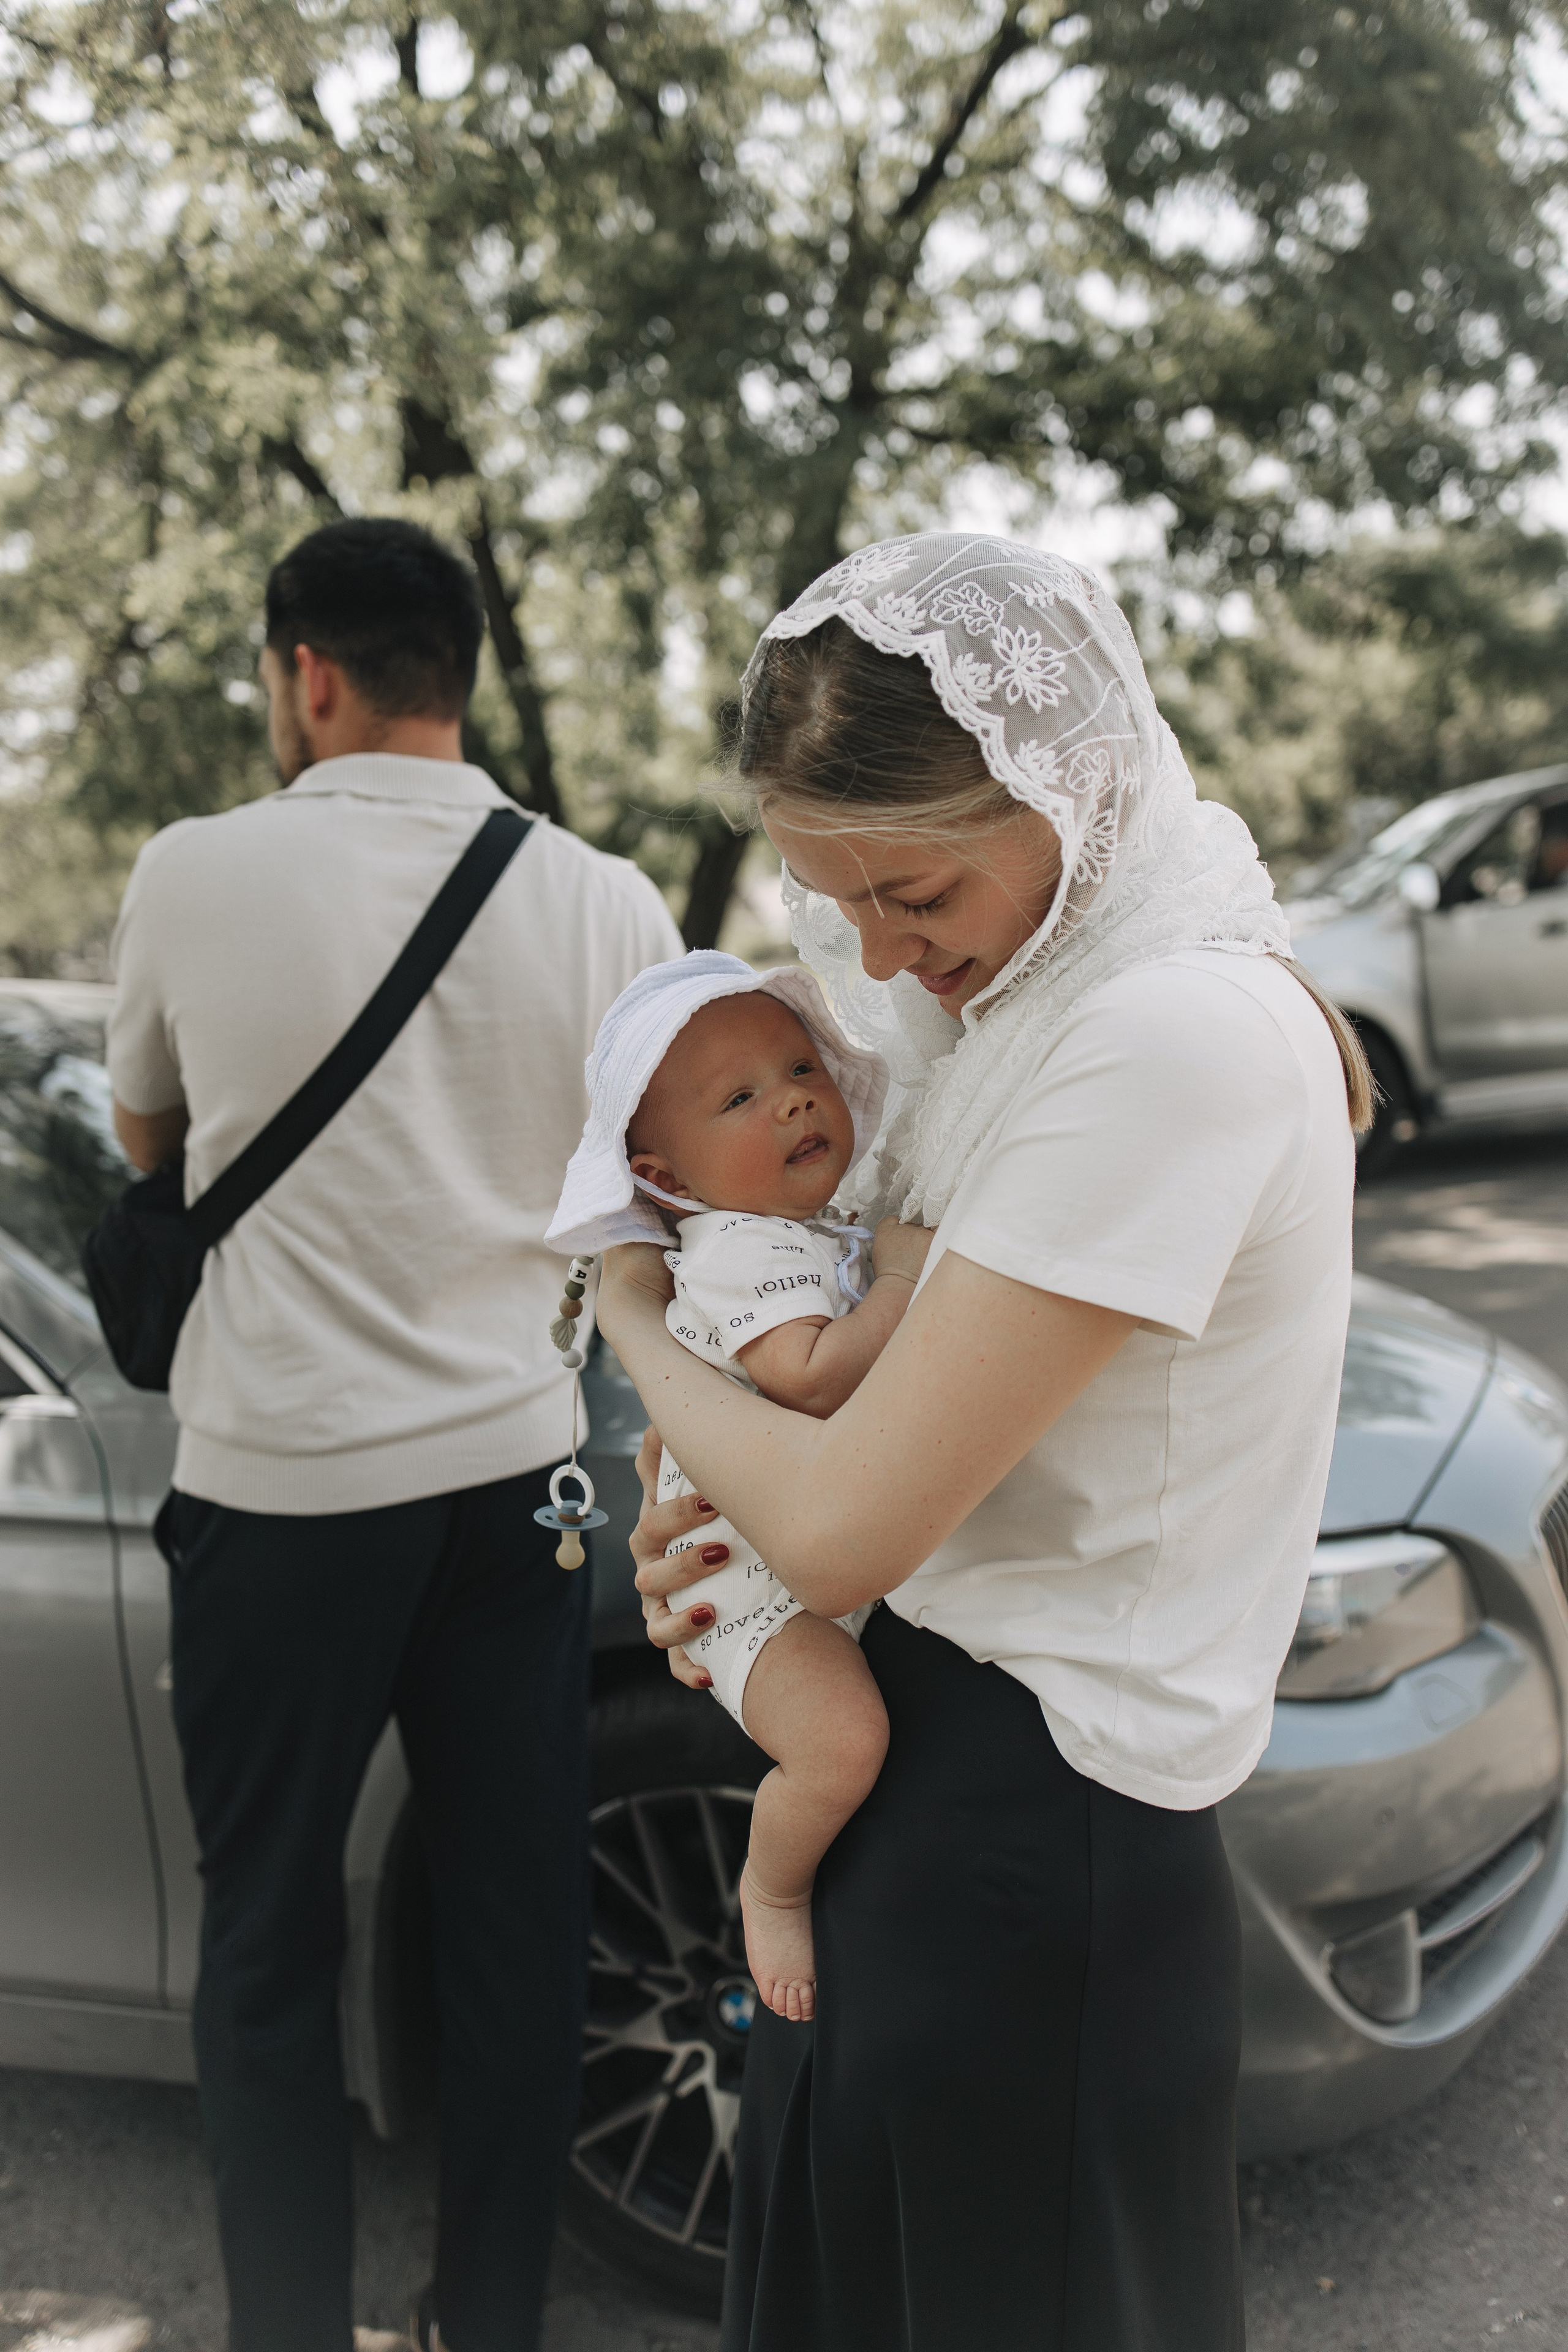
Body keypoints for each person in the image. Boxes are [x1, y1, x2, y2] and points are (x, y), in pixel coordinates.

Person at [596, 533, 1370, 2352]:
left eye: (912, 891)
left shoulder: (1164, 1037)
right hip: (941, 1798)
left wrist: (639, 1335)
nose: (878, 957)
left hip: (1035, 1846)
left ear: (1066, 786)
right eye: (834, 901)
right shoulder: (1021, 1010)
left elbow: (853, 1523)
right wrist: (720, 1535)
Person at [105, 518, 682, 2352]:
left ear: (310, 676)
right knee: (516, 1942)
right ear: (466, 671)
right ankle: (484, 2324)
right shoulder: (606, 900)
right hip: (520, 1486)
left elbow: (151, 1153)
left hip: (279, 1496)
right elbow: (649, 1189)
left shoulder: (192, 875)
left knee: (268, 1946)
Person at [545, 951, 929, 2019]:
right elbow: (805, 1380)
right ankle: (772, 1885)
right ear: (665, 1177)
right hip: (751, 1588)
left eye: (801, 1065)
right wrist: (905, 1277)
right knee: (843, 1745)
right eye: (740, 1098)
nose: (795, 1098)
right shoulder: (736, 1250)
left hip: (795, 1553)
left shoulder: (798, 1230)